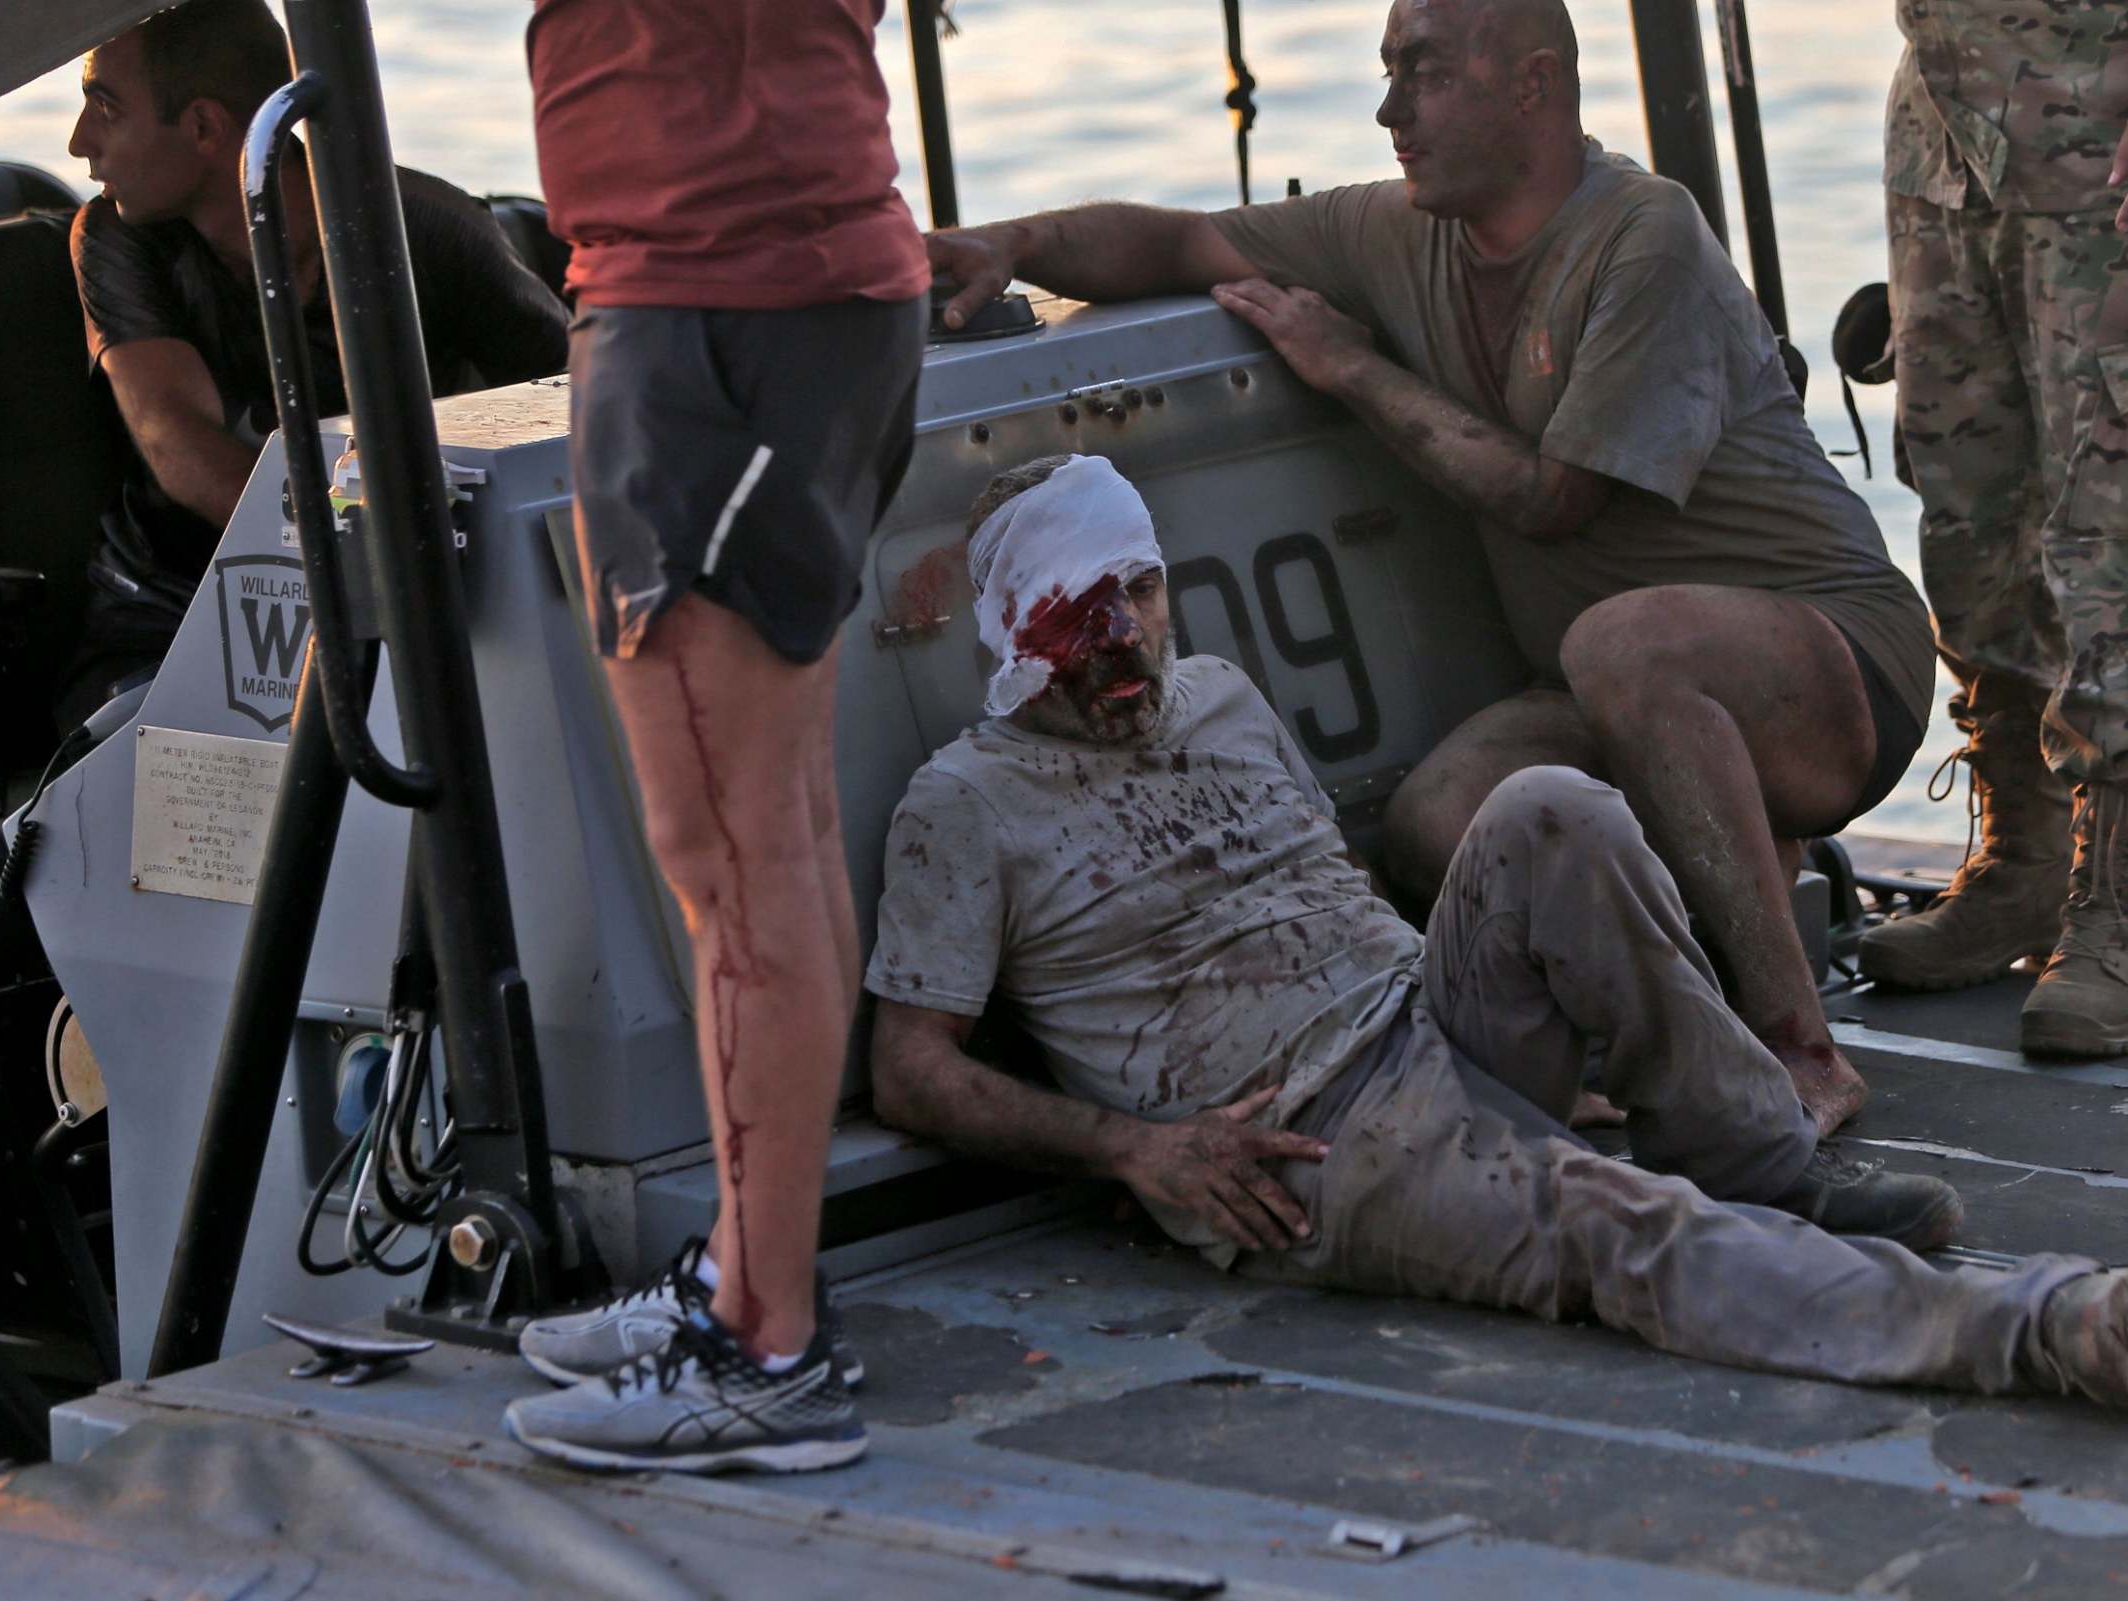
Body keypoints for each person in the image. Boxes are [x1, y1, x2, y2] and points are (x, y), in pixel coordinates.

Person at [862, 452, 2128, 1410]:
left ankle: (1762, 1171)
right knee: (1612, 1224)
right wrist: (1137, 1152)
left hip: (1421, 1015)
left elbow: (1322, 885)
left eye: (1140, 588)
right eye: (1083, 611)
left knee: (1549, 807)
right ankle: (2044, 1328)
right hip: (1301, 1141)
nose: (1127, 631)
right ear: (1017, 636)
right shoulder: (966, 805)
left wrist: (1514, 1056)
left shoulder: (1221, 698)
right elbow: (912, 1070)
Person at [926, 0, 1933, 1136]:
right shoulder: (1401, 231)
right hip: (1612, 686)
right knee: (1440, 818)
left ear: (1533, 87)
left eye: (1424, 75)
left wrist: (1351, 368)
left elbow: (1550, 500)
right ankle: (1656, 1027)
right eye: (1386, 72)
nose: (1388, 110)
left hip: (1837, 667)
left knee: (1623, 643)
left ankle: (1801, 1050)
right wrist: (1008, 242)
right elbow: (1172, 242)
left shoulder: (1644, 237)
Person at [501, 0, 928, 1475]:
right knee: (777, 832)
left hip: (719, 301)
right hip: (788, 286)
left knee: (729, 862)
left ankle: (761, 1349)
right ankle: (752, 1277)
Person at [58, 0, 570, 733]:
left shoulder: (427, 229)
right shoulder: (118, 238)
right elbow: (178, 442)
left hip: (415, 599)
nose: (79, 143)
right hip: (168, 608)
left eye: (103, 107)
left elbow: (579, 397)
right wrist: (365, 556)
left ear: (204, 127)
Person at [1856, 5, 2128, 1057]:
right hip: (1945, 122)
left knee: (2106, 520)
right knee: (1965, 494)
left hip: (2096, 113)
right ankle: (2023, 858)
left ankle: (2114, 904)